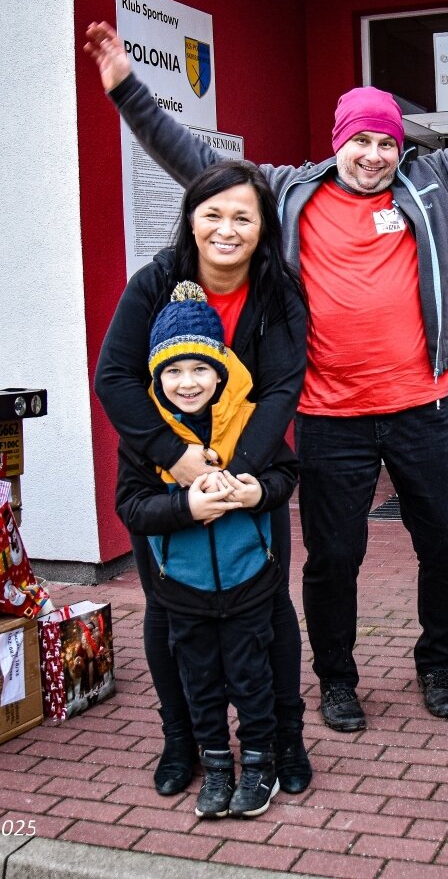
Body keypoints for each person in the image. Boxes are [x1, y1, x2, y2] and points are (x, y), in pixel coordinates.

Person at [84, 6, 448, 731]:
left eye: (386, 142)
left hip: (423, 409)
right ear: (339, 143)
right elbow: (198, 167)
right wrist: (126, 90)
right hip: (330, 417)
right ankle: (337, 679)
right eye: (361, 140)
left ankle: (436, 664)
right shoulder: (290, 194)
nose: (374, 155)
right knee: (333, 561)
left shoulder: (438, 184)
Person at [93, 161, 311, 797]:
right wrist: (175, 455)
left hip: (250, 467)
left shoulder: (279, 290)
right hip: (163, 470)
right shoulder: (155, 282)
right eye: (213, 213)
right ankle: (181, 740)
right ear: (191, 218)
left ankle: (284, 739)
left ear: (263, 225)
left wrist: (237, 477)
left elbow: (280, 389)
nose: (227, 228)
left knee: (268, 607)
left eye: (243, 216)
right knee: (169, 609)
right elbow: (115, 378)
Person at [116, 281, 297, 819]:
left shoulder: (249, 422)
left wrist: (257, 492)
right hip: (183, 588)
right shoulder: (148, 436)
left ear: (221, 372)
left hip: (247, 582)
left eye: (199, 369)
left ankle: (261, 762)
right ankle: (216, 765)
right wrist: (183, 510)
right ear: (155, 378)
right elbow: (132, 506)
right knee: (199, 682)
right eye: (172, 371)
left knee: (251, 677)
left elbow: (286, 474)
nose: (187, 382)